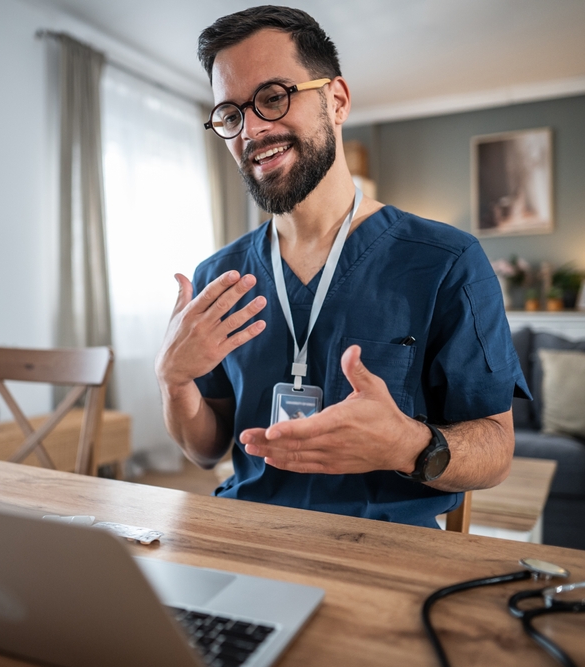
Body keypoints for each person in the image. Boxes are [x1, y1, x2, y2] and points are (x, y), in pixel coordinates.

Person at [155, 6, 530, 528]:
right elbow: (206, 449)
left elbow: (497, 450)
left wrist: (408, 445)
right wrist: (175, 383)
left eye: (273, 97)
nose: (253, 130)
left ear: (336, 100)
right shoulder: (220, 276)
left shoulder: (447, 263)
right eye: (231, 115)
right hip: (245, 540)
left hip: (382, 555)